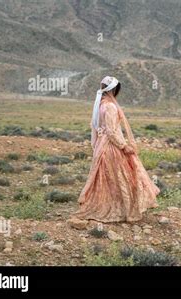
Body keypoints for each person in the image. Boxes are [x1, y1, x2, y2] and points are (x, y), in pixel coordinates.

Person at [73, 76, 159, 222]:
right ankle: (124, 208)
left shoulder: (100, 105)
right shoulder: (110, 107)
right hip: (111, 147)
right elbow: (112, 132)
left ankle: (106, 204)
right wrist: (124, 146)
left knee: (108, 177)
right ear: (113, 90)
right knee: (122, 175)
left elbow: (96, 127)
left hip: (102, 145)